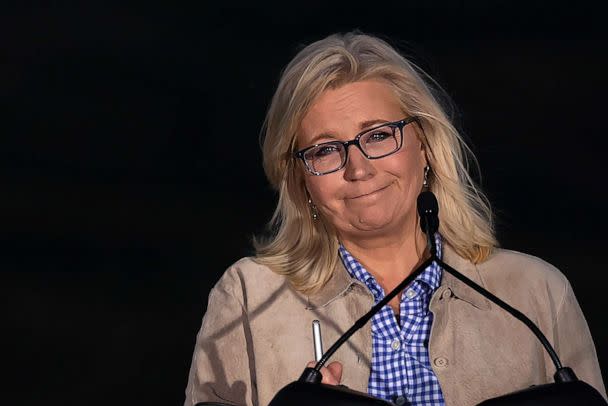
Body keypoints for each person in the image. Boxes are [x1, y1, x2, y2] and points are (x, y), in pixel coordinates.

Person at [184, 32, 606, 406]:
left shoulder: (537, 293)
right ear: (300, 178)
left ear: (425, 146)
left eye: (379, 136)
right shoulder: (248, 297)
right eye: (326, 149)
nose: (359, 168)